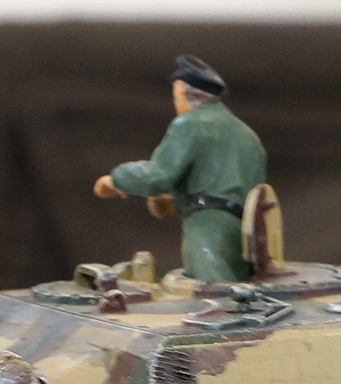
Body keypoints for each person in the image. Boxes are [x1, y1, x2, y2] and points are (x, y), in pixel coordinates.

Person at [94, 54, 268, 282]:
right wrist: (175, 202)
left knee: (211, 294)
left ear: (190, 96)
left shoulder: (190, 123)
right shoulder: (248, 135)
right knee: (242, 292)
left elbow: (158, 177)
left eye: (176, 97)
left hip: (207, 232)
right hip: (247, 234)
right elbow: (225, 185)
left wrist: (117, 179)